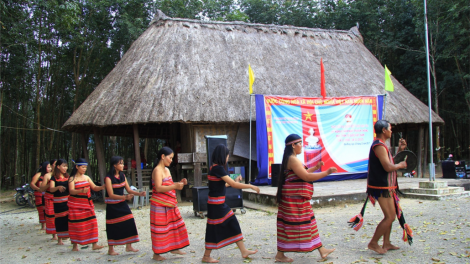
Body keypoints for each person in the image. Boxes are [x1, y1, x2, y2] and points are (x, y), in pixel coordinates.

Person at [275, 134, 337, 262]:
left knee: (309, 222)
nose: (302, 147)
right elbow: (306, 177)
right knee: (289, 225)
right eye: (300, 144)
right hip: (293, 199)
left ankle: (322, 250)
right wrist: (326, 172)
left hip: (296, 198)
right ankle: (280, 255)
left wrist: (315, 168)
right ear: (293, 145)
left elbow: (301, 174)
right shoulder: (292, 159)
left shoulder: (292, 158)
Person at [202, 144, 260, 263]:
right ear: (223, 156)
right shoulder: (218, 169)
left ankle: (242, 251)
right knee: (224, 224)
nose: (228, 158)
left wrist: (235, 181)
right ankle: (207, 256)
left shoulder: (214, 168)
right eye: (227, 156)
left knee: (218, 226)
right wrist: (250, 186)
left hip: (216, 204)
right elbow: (232, 185)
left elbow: (225, 184)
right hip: (217, 204)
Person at [362, 120, 411, 254]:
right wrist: (401, 165)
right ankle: (373, 243)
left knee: (391, 215)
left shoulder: (382, 145)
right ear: (383, 130)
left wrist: (401, 150)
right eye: (390, 128)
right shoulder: (378, 145)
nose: (391, 131)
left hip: (386, 186)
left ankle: (387, 242)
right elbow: (388, 167)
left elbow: (389, 162)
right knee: (389, 216)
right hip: (381, 187)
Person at [150, 147, 189, 261]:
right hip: (159, 204)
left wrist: (180, 183)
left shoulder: (167, 170)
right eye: (170, 157)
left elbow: (169, 185)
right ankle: (156, 254)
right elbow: (158, 187)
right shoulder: (157, 170)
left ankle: (174, 247)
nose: (171, 160)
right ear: (163, 156)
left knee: (174, 225)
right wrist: (175, 186)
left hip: (170, 203)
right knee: (160, 229)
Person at [105, 156, 145, 256]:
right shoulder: (108, 178)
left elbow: (129, 190)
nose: (123, 165)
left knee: (129, 220)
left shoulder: (122, 176)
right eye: (121, 163)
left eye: (123, 163)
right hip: (112, 205)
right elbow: (111, 194)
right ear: (114, 165)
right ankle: (111, 249)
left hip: (122, 203)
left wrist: (139, 193)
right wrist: (125, 197)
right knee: (112, 225)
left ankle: (129, 246)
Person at [68, 158, 105, 251]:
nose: (84, 169)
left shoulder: (87, 177)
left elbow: (95, 188)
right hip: (76, 205)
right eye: (82, 167)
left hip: (87, 204)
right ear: (77, 167)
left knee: (92, 223)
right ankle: (75, 245)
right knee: (76, 225)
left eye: (85, 167)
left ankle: (94, 244)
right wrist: (80, 190)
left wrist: (103, 186)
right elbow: (71, 191)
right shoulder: (72, 178)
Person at [49, 159, 70, 245]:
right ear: (58, 167)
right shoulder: (54, 177)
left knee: (68, 218)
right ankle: (59, 239)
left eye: (66, 166)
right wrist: (58, 187)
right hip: (58, 203)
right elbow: (51, 189)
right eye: (63, 166)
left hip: (67, 201)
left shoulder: (68, 177)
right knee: (59, 219)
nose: (65, 168)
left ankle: (68, 236)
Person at [40, 162, 58, 240]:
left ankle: (61, 235)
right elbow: (41, 189)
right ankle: (54, 235)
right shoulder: (47, 176)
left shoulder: (62, 175)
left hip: (60, 198)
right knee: (51, 217)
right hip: (49, 198)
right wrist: (50, 184)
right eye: (54, 164)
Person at [30, 161, 50, 230]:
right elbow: (32, 183)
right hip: (39, 195)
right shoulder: (39, 174)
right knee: (41, 210)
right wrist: (38, 189)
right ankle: (43, 225)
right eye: (48, 167)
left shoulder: (50, 175)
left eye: (50, 167)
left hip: (47, 195)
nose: (50, 168)